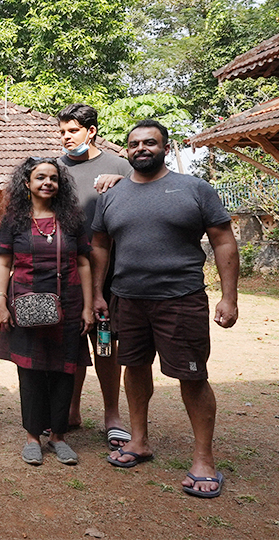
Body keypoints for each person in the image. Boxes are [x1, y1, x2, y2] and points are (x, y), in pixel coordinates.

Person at [93, 120, 238, 498]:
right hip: (127, 298)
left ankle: (204, 459)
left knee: (192, 376)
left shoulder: (194, 189)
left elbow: (223, 241)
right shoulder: (112, 195)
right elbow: (100, 248)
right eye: (135, 143)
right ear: (126, 150)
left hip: (181, 297)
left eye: (150, 142)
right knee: (134, 367)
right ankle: (138, 441)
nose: (141, 148)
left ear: (164, 147)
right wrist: (97, 294)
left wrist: (229, 296)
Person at [0, 157, 94, 466]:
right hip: (25, 304)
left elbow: (84, 262)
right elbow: (4, 262)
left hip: (69, 303)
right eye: (40, 177)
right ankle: (33, 437)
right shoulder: (14, 220)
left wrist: (89, 306)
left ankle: (59, 437)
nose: (47, 182)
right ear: (27, 183)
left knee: (65, 371)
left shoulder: (72, 218)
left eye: (53, 178)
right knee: (31, 373)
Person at [57, 103, 133, 450]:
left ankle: (112, 415)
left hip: (108, 275)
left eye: (72, 130)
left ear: (91, 131)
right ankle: (70, 411)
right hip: (66, 274)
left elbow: (140, 198)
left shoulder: (121, 167)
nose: (66, 137)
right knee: (71, 344)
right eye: (62, 132)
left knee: (105, 344)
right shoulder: (54, 169)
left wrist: (124, 182)